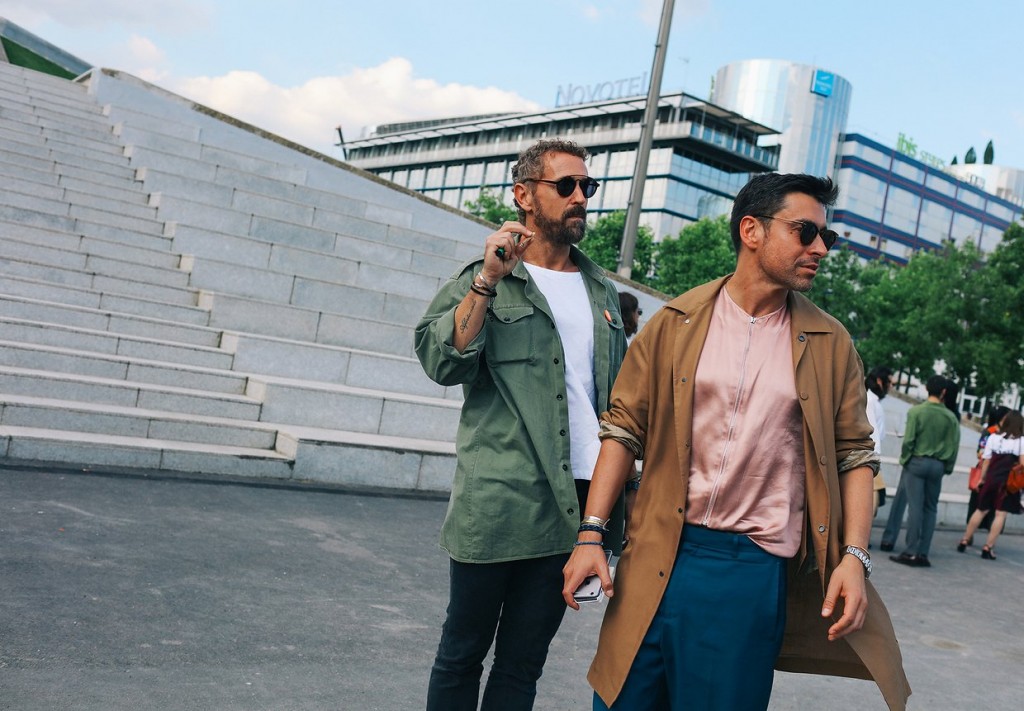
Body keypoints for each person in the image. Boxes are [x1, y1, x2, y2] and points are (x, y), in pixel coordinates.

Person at [561, 173, 910, 711]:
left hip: (749, 569)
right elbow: (623, 428)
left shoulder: (830, 342)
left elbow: (855, 456)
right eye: (805, 232)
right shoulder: (675, 322)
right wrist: (591, 535)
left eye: (826, 237)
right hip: (656, 552)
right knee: (620, 701)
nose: (820, 248)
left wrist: (854, 558)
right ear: (752, 230)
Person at [415, 138, 628, 711]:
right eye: (567, 186)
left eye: (589, 187)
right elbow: (443, 360)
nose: (581, 197)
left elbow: (617, 400)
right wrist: (486, 280)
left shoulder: (601, 291)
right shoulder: (488, 277)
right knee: (462, 653)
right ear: (524, 195)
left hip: (577, 503)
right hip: (501, 494)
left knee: (522, 666)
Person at [888, 375, 961, 568]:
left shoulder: (916, 412)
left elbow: (909, 440)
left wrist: (905, 459)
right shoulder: (951, 417)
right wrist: (947, 468)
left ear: (927, 388)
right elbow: (954, 447)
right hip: (938, 465)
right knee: (931, 508)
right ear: (944, 392)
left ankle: (910, 551)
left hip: (917, 463)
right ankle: (922, 553)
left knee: (915, 507)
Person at [957, 409, 1023, 560]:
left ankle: (964, 540)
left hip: (991, 478)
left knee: (980, 510)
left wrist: (982, 479)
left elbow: (986, 460)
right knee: (1000, 514)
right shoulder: (1021, 442)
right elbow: (1022, 464)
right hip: (1007, 483)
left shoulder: (993, 438)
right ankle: (988, 547)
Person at [964, 405, 1009, 538]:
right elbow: (981, 453)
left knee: (978, 505)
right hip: (991, 473)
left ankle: (969, 536)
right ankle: (978, 538)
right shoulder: (992, 432)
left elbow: (980, 452)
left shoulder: (995, 432)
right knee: (990, 507)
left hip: (990, 473)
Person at [865, 366, 894, 517]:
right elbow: (875, 434)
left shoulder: (872, 401)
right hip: (870, 455)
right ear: (879, 381)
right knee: (873, 498)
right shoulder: (870, 401)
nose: (891, 386)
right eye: (889, 382)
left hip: (870, 455)